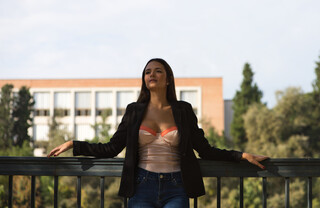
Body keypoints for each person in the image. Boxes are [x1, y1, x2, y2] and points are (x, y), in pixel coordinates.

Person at [48, 58, 269, 208]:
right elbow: (112, 148)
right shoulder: (134, 111)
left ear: (168, 78)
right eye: (147, 72)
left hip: (177, 187)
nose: (151, 74)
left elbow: (205, 149)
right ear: (144, 79)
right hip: (141, 185)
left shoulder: (183, 110)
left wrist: (241, 156)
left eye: (158, 71)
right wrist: (74, 145)